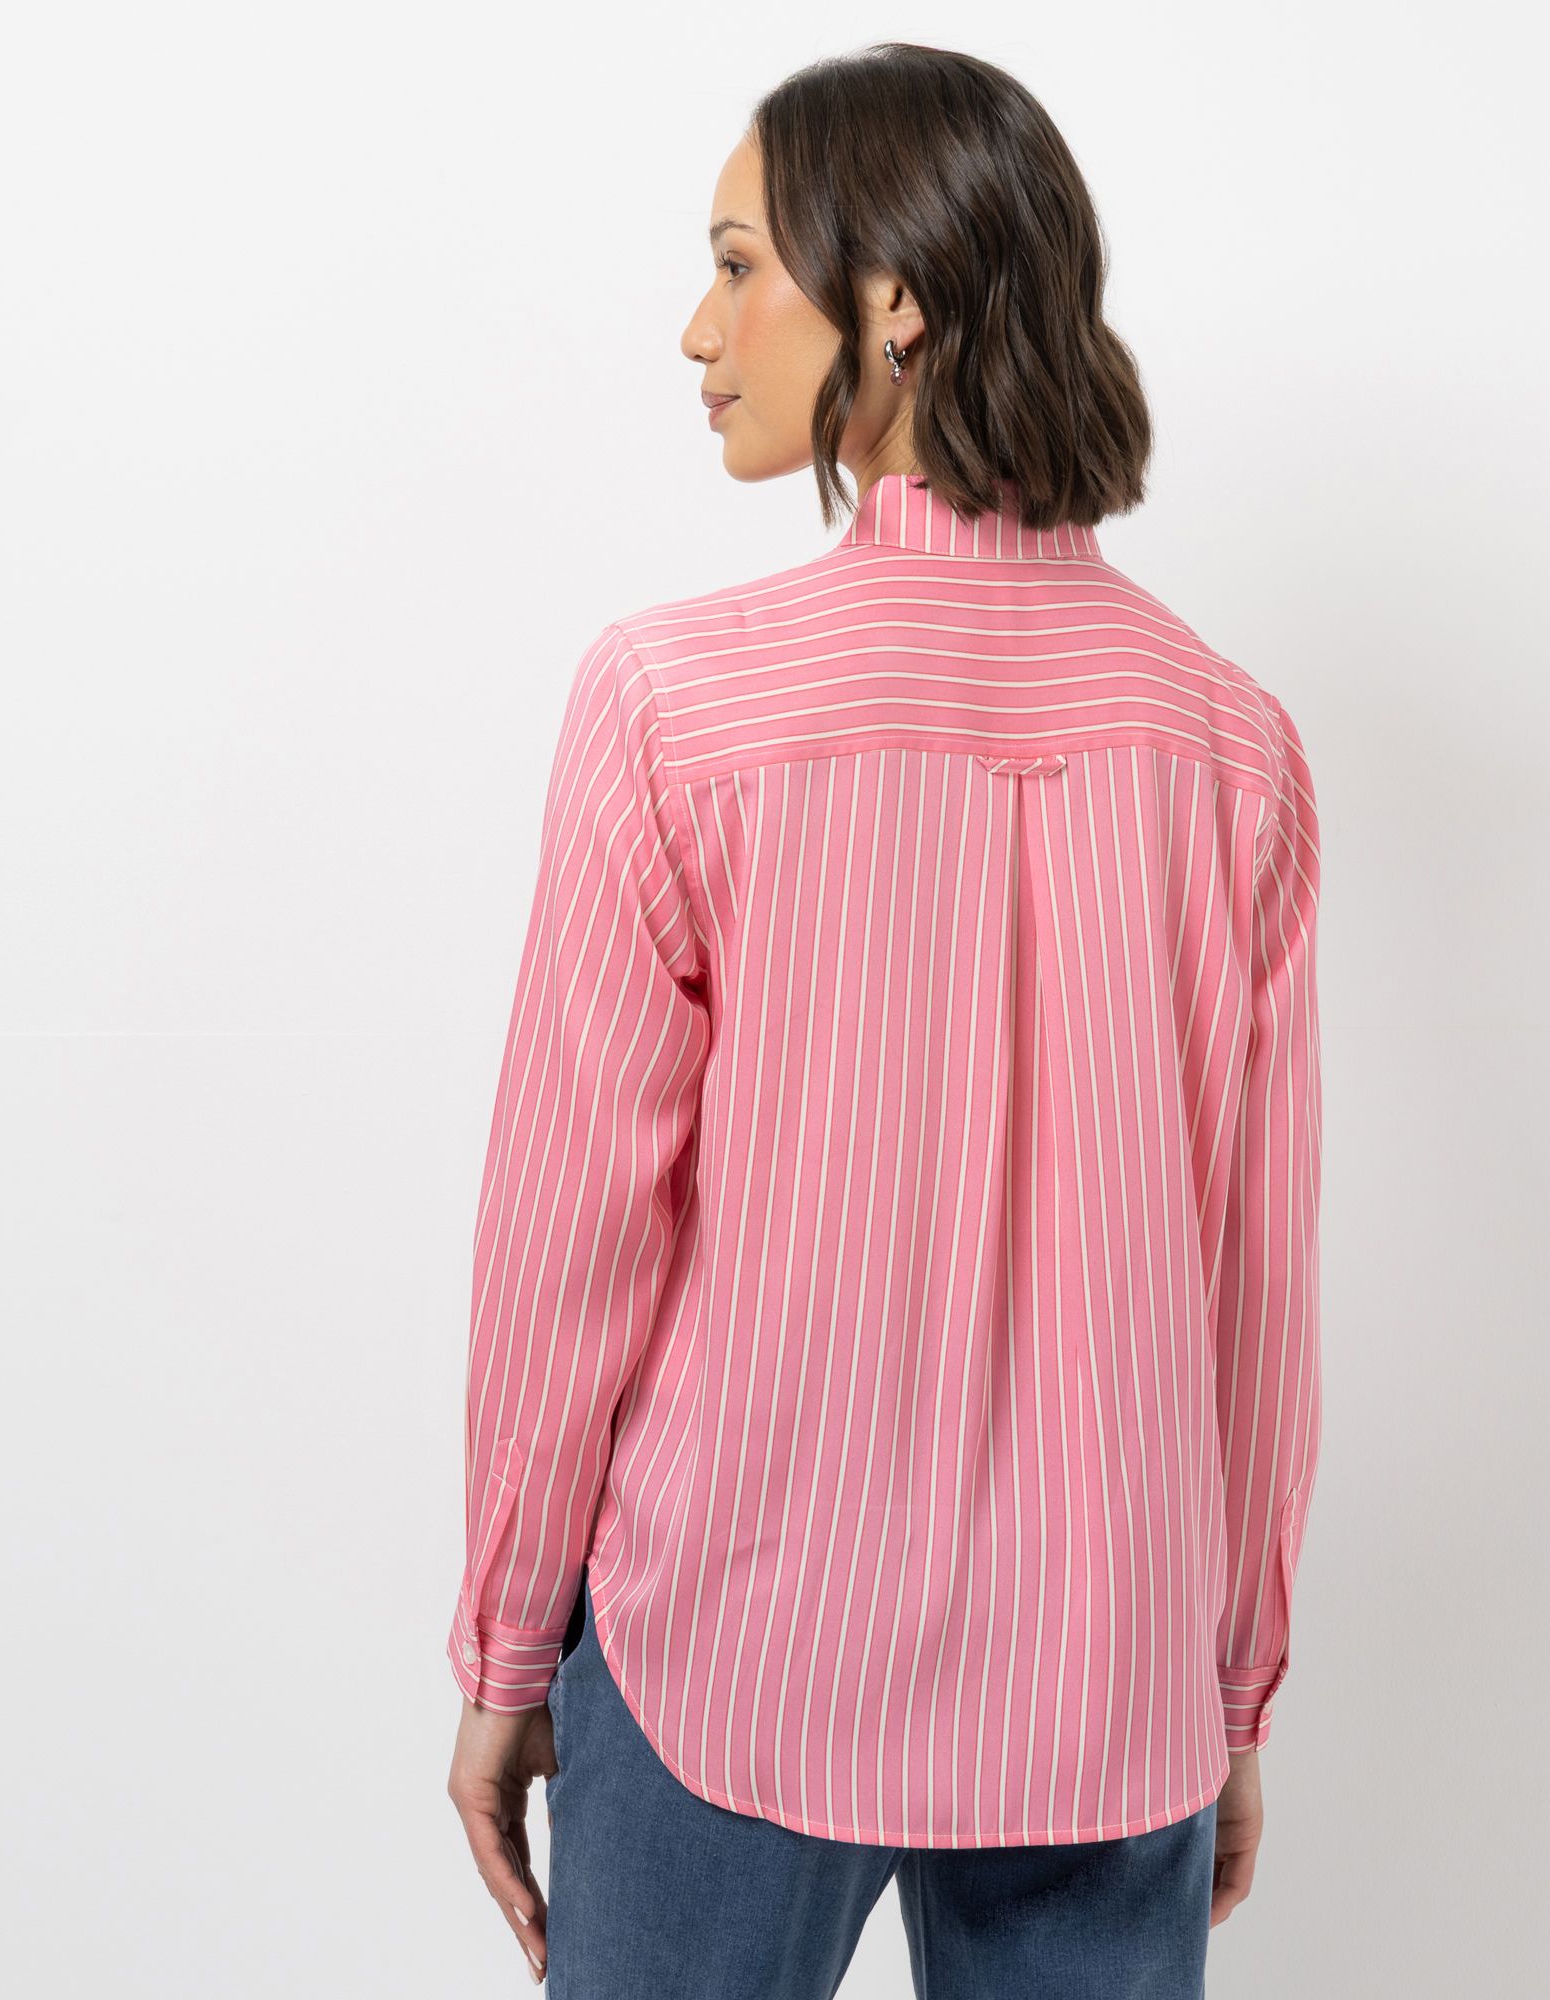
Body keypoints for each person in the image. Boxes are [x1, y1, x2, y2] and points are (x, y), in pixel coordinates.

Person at [444, 41, 1322, 1998]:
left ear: (896, 300)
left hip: (729, 1650)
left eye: (737, 264)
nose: (700, 328)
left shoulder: (674, 707)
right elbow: (1254, 1289)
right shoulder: (1234, 749)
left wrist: (508, 1650)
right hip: (1107, 1685)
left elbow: (569, 1237)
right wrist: (1228, 1685)